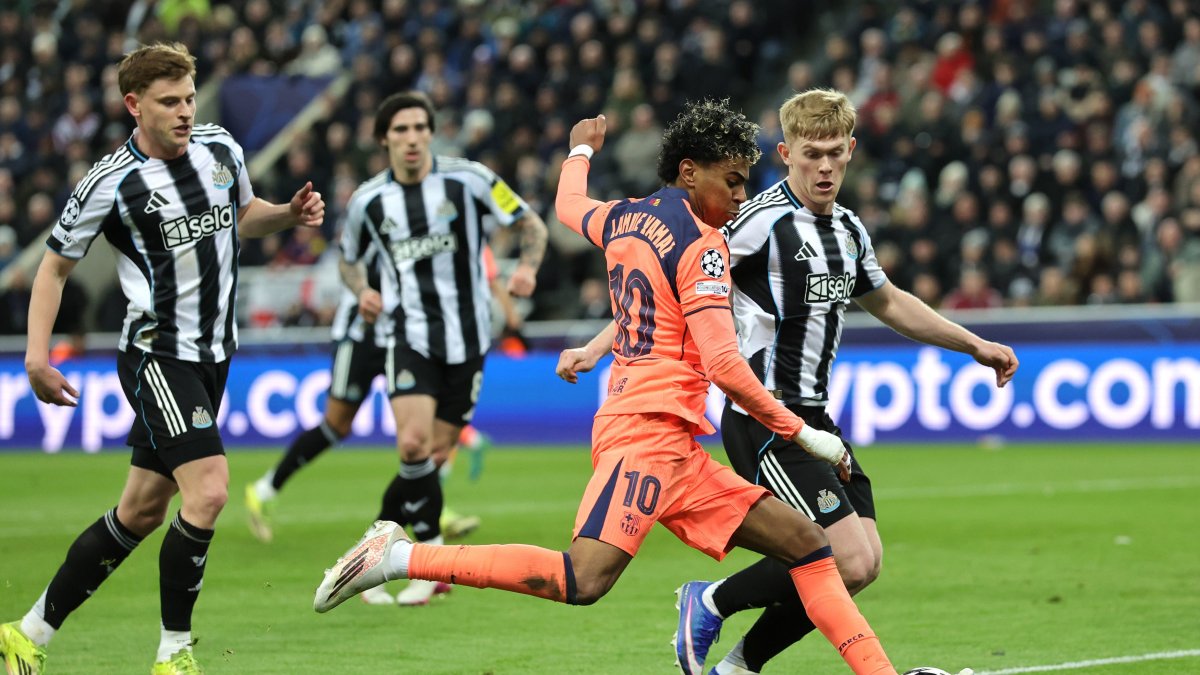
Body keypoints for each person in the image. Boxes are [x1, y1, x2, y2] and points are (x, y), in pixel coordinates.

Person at [315, 100, 902, 675]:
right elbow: (725, 364)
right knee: (582, 579)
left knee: (808, 546)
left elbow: (569, 204)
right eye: (734, 182)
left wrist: (578, 150)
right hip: (643, 436)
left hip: (675, 444)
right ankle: (396, 556)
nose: (742, 197)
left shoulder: (624, 216)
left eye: (746, 184)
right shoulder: (704, 248)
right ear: (689, 172)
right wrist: (804, 434)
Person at [0, 42, 324, 675]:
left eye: (189, 99)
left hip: (213, 357)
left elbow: (242, 216)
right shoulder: (109, 181)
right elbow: (52, 268)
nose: (183, 112)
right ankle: (173, 655)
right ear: (134, 105)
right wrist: (37, 357)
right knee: (208, 493)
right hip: (157, 355)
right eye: (168, 102)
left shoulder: (221, 149)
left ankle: (26, 632)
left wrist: (287, 214)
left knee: (141, 512)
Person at [671, 89, 1014, 675]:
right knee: (842, 557)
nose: (824, 166)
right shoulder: (757, 223)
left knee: (864, 563)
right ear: (785, 153)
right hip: (764, 415)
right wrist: (604, 342)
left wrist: (973, 344)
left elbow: (890, 301)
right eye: (812, 154)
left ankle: (737, 666)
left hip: (816, 418)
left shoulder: (849, 230)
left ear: (851, 150)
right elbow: (681, 279)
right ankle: (710, 600)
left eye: (835, 152)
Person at [315, 90, 548, 607]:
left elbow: (530, 223)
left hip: (468, 341)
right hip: (408, 336)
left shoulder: (470, 179)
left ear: (431, 131)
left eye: (420, 127)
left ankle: (372, 553)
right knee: (414, 445)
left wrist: (527, 266)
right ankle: (433, 562)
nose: (413, 138)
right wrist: (362, 292)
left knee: (434, 454)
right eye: (401, 130)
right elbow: (347, 259)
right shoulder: (368, 201)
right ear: (384, 139)